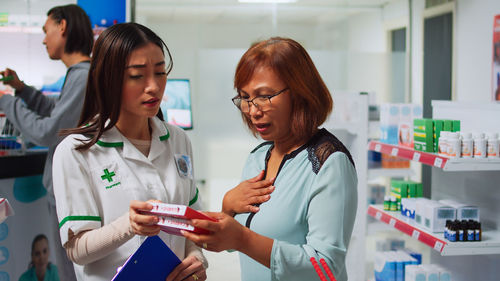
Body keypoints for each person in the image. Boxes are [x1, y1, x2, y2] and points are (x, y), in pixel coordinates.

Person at [182, 37, 358, 281]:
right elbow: (240, 243)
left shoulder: (329, 163)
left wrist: (241, 238)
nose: (253, 111)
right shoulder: (258, 157)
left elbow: (326, 268)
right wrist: (228, 209)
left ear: (300, 93)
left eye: (264, 96)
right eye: (245, 98)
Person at [52, 23, 207, 281]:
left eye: (160, 72)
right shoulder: (76, 151)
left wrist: (195, 260)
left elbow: (190, 227)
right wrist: (129, 225)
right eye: (137, 76)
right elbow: (76, 249)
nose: (154, 87)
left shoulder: (178, 140)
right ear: (108, 78)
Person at [0, 5, 93, 281]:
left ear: (62, 27)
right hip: (68, 192)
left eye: (46, 31)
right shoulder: (79, 75)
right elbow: (57, 112)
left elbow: (48, 131)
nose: (43, 40)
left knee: (70, 272)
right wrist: (22, 89)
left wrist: (6, 100)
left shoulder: (84, 77)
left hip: (72, 194)